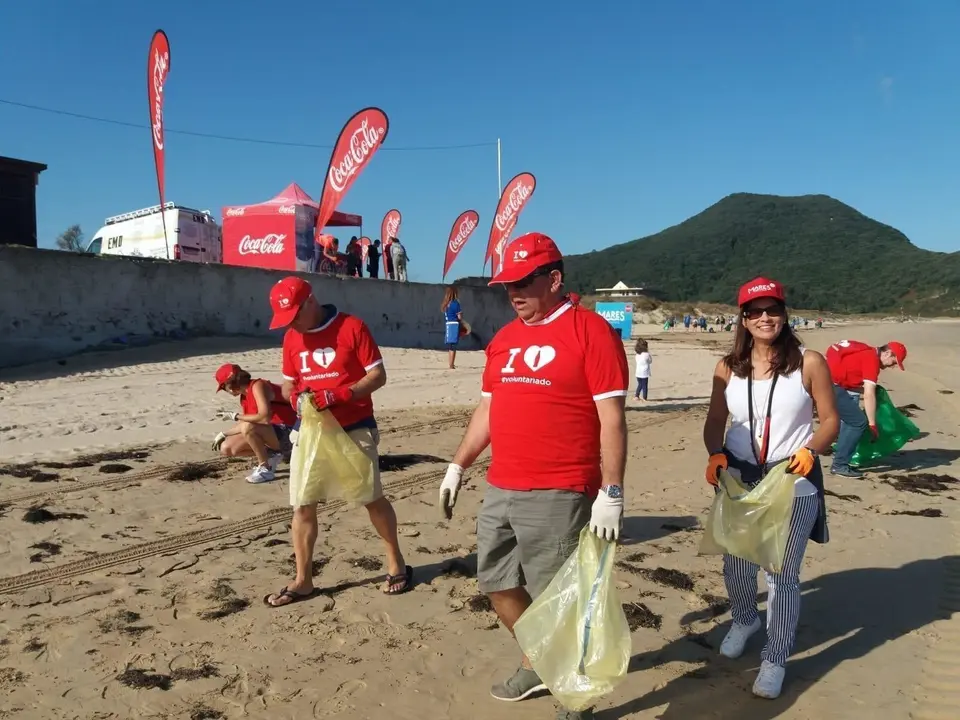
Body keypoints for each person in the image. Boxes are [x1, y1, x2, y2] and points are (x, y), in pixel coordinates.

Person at [437, 232, 629, 720]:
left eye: (524, 281)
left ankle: (573, 696)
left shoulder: (591, 332)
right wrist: (458, 465)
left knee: (559, 599)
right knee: (496, 583)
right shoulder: (504, 340)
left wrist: (612, 490)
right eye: (507, 284)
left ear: (554, 278)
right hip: (502, 482)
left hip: (560, 487)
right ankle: (540, 661)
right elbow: (488, 410)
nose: (514, 292)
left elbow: (612, 418)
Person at [702, 276, 839, 700]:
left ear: (785, 314)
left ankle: (775, 657)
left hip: (792, 480)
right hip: (740, 477)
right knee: (737, 564)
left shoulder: (809, 362)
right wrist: (715, 453)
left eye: (772, 310)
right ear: (742, 319)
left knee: (782, 576)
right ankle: (744, 619)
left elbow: (830, 421)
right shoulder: (727, 368)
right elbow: (713, 422)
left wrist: (812, 450)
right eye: (755, 311)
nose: (765, 318)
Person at [262, 276, 412, 607]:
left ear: (310, 302)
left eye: (295, 316)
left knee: (371, 498)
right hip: (312, 429)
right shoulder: (291, 338)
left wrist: (342, 393)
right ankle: (303, 580)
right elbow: (287, 385)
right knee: (302, 503)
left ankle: (395, 560)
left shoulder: (351, 327)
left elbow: (378, 376)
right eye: (287, 321)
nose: (293, 325)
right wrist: (296, 398)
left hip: (354, 426)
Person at [824, 339, 907, 478]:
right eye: (894, 362)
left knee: (851, 421)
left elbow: (852, 380)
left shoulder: (866, 351)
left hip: (829, 381)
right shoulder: (872, 360)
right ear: (887, 353)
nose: (892, 366)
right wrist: (872, 423)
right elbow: (868, 394)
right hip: (829, 385)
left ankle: (842, 456)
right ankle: (840, 465)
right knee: (858, 423)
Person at [212, 363, 298, 484]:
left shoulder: (258, 385)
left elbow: (264, 418)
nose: (227, 391)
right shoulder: (244, 396)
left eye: (223, 388)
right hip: (274, 433)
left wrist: (235, 416)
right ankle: (273, 455)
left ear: (229, 386)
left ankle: (265, 468)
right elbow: (248, 421)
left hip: (291, 432)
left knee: (249, 427)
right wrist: (224, 434)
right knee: (227, 448)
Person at [441, 285, 462, 370]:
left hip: (448, 324)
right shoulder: (456, 303)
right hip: (454, 324)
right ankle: (451, 365)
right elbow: (459, 317)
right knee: (453, 346)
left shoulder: (445, 304)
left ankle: (450, 363)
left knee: (450, 346)